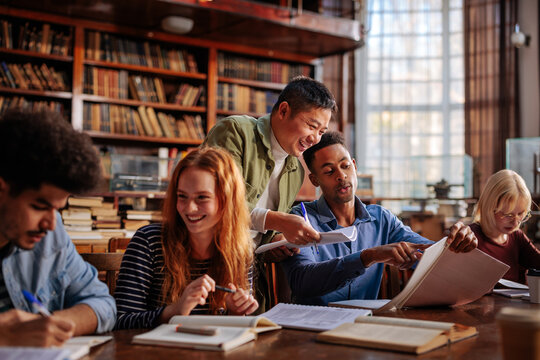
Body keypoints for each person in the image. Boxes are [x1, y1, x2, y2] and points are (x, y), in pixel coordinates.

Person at [281, 131, 478, 305]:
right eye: (329, 171)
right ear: (314, 179)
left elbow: (429, 255)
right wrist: (368, 256)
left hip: (365, 327)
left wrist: (454, 245)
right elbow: (302, 283)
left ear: (355, 166)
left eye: (345, 166)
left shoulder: (381, 218)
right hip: (312, 331)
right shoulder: (300, 219)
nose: (341, 176)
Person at [204, 76, 337, 310]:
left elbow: (260, 234)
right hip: (210, 265)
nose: (315, 138)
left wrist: (276, 243)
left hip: (250, 273)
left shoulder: (295, 170)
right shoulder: (235, 132)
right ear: (283, 110)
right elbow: (215, 204)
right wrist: (279, 220)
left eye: (322, 131)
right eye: (311, 125)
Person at [0, 109, 116, 346]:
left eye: (58, 208)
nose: (50, 224)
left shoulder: (52, 236)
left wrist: (52, 325)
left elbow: (103, 304)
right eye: (39, 206)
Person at [114, 147, 258, 329]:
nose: (189, 208)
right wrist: (174, 311)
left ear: (227, 201)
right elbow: (119, 322)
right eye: (182, 196)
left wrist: (236, 312)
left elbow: (230, 331)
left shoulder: (241, 250)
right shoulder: (148, 242)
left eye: (202, 198)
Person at [470, 169, 540, 284]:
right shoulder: (471, 237)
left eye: (521, 214)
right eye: (508, 215)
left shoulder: (517, 237)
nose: (516, 222)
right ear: (489, 208)